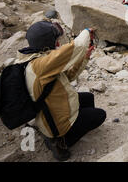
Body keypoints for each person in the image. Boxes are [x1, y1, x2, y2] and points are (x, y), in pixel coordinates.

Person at [17, 21, 106, 161]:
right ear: (48, 43)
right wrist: (87, 31)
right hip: (53, 120)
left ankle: (69, 126)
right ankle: (60, 141)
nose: (58, 44)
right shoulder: (41, 65)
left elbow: (68, 76)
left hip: (49, 108)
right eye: (57, 41)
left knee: (88, 98)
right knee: (100, 115)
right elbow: (77, 46)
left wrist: (85, 57)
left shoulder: (34, 58)